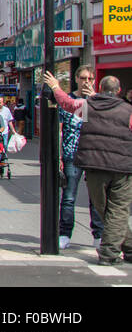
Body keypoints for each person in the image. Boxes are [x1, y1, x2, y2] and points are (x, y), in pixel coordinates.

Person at [43, 70, 130, 265]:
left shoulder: (89, 106)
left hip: (94, 164)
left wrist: (56, 86)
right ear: (118, 91)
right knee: (118, 209)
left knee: (105, 207)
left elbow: (67, 103)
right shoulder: (127, 110)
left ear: (99, 87)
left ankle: (126, 247)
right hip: (121, 167)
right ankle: (109, 251)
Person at [56, 66, 103, 252]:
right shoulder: (69, 101)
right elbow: (60, 129)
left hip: (93, 155)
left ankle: (98, 235)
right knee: (68, 197)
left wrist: (93, 100)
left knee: (96, 198)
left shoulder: (98, 101)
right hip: (71, 153)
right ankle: (65, 234)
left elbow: (102, 123)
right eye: (83, 78)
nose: (87, 81)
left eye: (90, 78)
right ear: (76, 78)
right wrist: (58, 154)